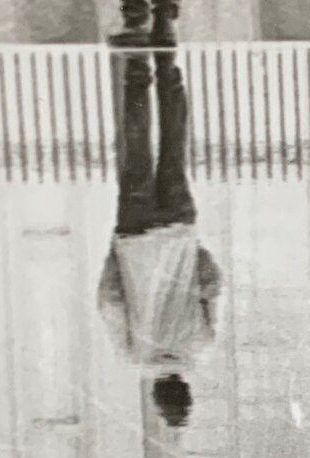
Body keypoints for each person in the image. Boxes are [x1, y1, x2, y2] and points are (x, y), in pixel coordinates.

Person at [96, 26, 221, 430]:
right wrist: (116, 253)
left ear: (185, 387)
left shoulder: (201, 343)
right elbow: (109, 302)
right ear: (155, 393)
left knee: (174, 146)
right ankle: (137, 61)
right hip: (134, 237)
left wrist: (194, 249)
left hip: (180, 228)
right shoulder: (135, 355)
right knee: (135, 145)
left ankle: (166, 50)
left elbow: (212, 284)